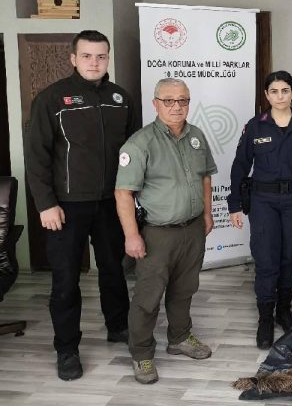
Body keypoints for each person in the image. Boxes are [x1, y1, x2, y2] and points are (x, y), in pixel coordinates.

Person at [23, 30, 139, 381]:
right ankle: (67, 348)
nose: (94, 62)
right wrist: (45, 204)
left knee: (113, 271)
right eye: (87, 56)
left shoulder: (121, 98)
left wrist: (132, 195)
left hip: (112, 204)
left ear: (108, 59)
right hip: (66, 208)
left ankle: (118, 327)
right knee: (65, 280)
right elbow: (36, 157)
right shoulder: (52, 99)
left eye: (101, 56)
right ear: (73, 58)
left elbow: (134, 152)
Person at [114, 78, 217, 384]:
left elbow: (205, 179)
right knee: (148, 297)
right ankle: (142, 355)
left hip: (193, 228)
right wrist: (132, 236)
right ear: (155, 103)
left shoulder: (196, 135)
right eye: (169, 100)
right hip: (156, 234)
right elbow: (123, 193)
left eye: (183, 100)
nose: (177, 107)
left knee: (184, 289)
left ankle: (180, 337)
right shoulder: (139, 144)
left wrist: (208, 214)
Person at [228, 70, 292, 349]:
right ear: (266, 95)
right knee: (267, 259)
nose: (280, 96)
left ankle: (284, 310)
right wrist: (234, 204)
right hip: (264, 201)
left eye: (285, 90)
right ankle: (265, 319)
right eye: (274, 91)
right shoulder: (255, 126)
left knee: (289, 256)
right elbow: (240, 166)